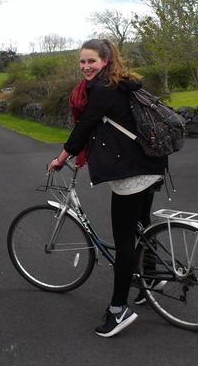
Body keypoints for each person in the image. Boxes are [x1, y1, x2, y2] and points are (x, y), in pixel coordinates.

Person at [48, 38, 167, 338]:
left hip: (132, 172)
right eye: (82, 62)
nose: (86, 67)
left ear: (105, 60)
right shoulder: (124, 82)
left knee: (124, 240)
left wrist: (62, 158)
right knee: (142, 224)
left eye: (91, 61)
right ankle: (151, 277)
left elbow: (83, 127)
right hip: (152, 164)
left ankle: (118, 310)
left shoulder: (102, 89)